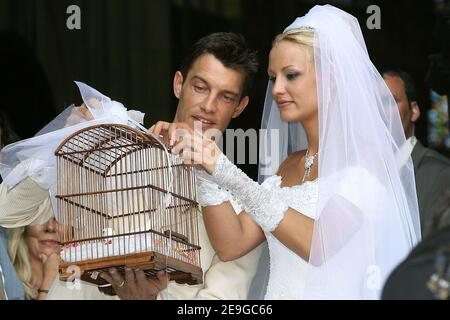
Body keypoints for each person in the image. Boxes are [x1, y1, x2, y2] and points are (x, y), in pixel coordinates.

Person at [155, 5, 421, 299]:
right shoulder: (289, 166)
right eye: (273, 77)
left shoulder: (369, 159)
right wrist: (200, 166)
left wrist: (222, 168)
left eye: (291, 75)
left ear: (331, 78)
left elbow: (318, 245)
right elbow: (232, 245)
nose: (277, 89)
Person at [101, 32, 263, 300]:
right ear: (179, 84)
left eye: (225, 97)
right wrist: (67, 132)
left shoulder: (247, 207)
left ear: (239, 107)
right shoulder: (117, 152)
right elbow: (10, 213)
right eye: (200, 87)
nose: (209, 106)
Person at [382, 69, 450, 237]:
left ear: (414, 110)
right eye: (373, 103)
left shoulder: (440, 174)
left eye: (390, 101)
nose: (379, 111)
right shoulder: (356, 172)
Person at [6, 217, 61, 300]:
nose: (50, 227)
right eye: (40, 217)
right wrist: (49, 281)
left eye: (58, 218)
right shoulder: (7, 286)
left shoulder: (81, 280)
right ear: (24, 227)